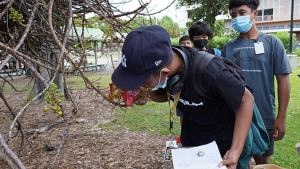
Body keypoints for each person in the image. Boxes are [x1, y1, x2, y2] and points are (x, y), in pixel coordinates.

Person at [112, 25, 254, 168]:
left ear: (166, 73)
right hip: (191, 141)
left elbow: (246, 100)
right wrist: (146, 94)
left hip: (220, 147)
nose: (140, 85)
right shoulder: (166, 59)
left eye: (142, 81)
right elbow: (171, 94)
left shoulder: (211, 71)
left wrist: (235, 150)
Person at [221, 0, 292, 165]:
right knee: (235, 161)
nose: (237, 18)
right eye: (233, 15)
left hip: (264, 116)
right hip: (234, 116)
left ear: (254, 14)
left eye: (242, 13)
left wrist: (281, 117)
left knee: (263, 163)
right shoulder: (228, 48)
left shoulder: (272, 43)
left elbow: (283, 80)